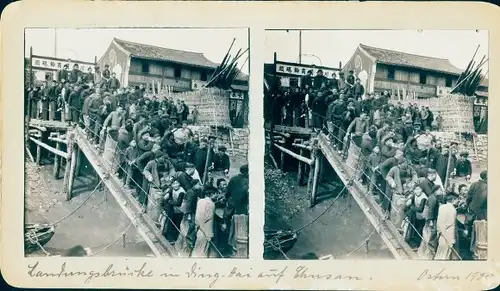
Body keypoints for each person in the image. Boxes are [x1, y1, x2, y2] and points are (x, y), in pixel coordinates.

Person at [191, 187, 218, 258]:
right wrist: (209, 234)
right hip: (206, 230)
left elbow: (198, 217)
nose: (217, 195)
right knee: (203, 251)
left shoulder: (200, 201)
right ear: (212, 194)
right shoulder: (211, 204)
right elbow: (208, 218)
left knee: (197, 249)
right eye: (216, 194)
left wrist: (197, 226)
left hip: (199, 229)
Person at [434, 192, 460, 260]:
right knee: (444, 256)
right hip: (448, 236)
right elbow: (451, 225)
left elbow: (439, 223)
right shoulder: (452, 210)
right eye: (457, 199)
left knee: (439, 254)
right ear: (453, 200)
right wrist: (450, 240)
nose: (458, 201)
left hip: (441, 235)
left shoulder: (442, 207)